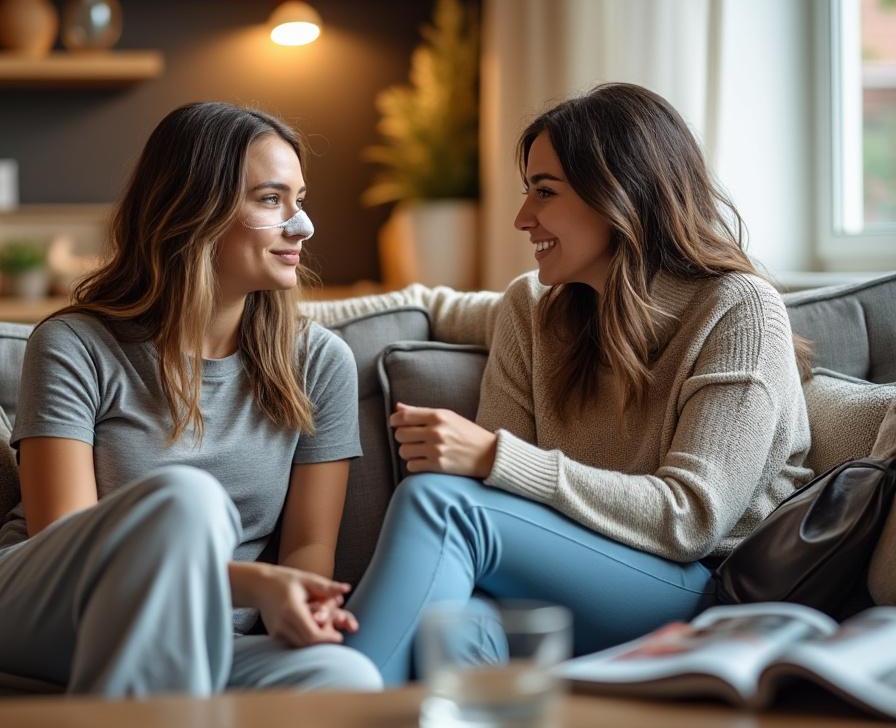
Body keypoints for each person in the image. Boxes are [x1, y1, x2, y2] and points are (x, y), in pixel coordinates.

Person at [304, 82, 815, 685]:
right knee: (461, 628)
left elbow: (692, 517)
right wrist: (253, 316)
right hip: (569, 585)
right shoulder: (535, 309)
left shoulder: (738, 309)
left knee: (442, 504)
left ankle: (330, 705)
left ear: (619, 195)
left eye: (544, 193)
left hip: (699, 593)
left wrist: (498, 457)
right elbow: (426, 304)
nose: (523, 219)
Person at [0, 102, 383, 696]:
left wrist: (300, 612)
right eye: (272, 200)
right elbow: (66, 540)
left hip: (203, 632)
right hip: (37, 605)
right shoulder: (75, 344)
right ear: (195, 209)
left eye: (300, 201)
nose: (302, 226)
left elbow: (308, 545)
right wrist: (254, 586)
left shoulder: (318, 363)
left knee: (344, 677)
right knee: (187, 498)